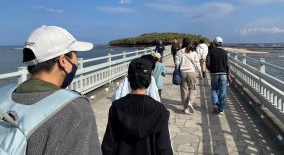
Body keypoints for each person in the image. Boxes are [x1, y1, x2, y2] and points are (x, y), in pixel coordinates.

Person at [11, 25, 101, 155]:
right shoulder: (75, 109)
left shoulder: (5, 97)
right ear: (63, 61)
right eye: (75, 54)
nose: (78, 62)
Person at [101, 58, 173, 155]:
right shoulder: (160, 110)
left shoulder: (116, 107)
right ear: (150, 80)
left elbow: (108, 147)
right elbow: (164, 149)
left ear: (129, 79)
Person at [175, 37, 203, 114]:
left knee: (184, 90)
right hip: (192, 72)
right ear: (190, 43)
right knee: (192, 88)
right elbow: (197, 64)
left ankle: (185, 108)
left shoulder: (179, 52)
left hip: (182, 73)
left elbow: (177, 63)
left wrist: (178, 69)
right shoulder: (194, 53)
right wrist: (200, 73)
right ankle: (190, 101)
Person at [206, 36, 232, 115]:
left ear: (214, 43)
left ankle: (215, 104)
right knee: (222, 92)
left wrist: (211, 70)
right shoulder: (225, 52)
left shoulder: (211, 52)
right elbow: (227, 65)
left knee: (214, 89)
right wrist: (229, 75)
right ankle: (221, 109)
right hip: (223, 74)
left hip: (214, 74)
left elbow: (207, 63)